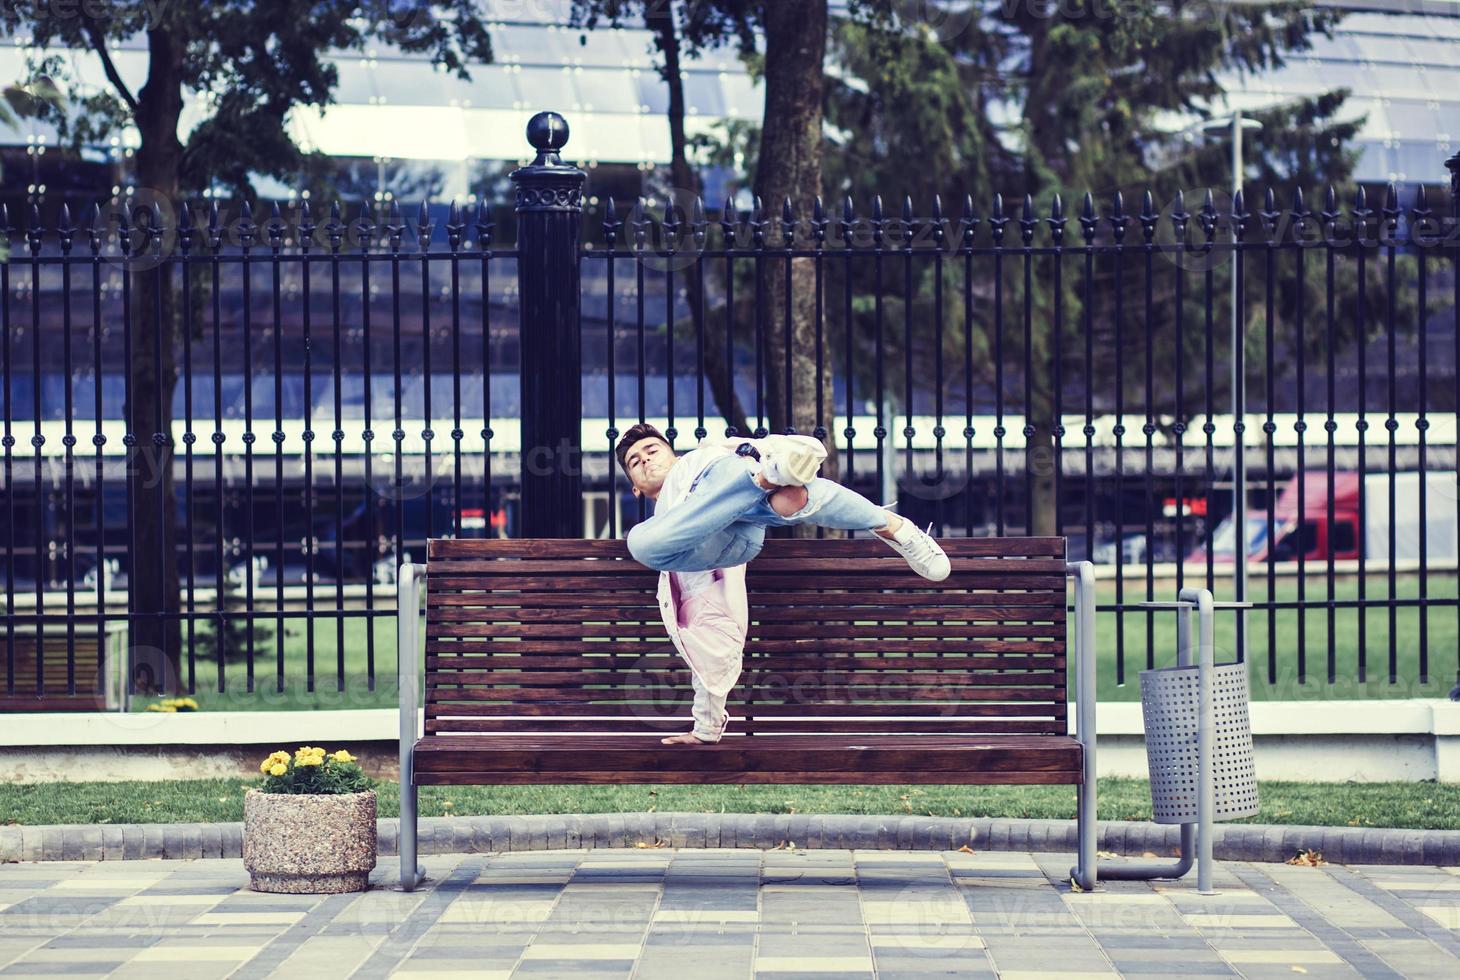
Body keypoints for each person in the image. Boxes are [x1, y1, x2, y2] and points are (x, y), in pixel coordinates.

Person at [614, 422, 950, 745]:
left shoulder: (698, 459)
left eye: (652, 450)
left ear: (673, 455)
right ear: (635, 488)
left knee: (790, 498)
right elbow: (710, 626)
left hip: (720, 479)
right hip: (721, 545)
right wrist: (706, 727)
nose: (645, 459)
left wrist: (758, 452)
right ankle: (769, 480)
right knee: (644, 542)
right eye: (635, 461)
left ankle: (894, 527)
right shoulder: (668, 534)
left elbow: (735, 457)